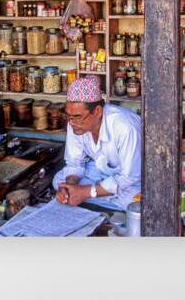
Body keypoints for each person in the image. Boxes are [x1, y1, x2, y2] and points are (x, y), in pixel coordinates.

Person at [52, 76, 142, 210]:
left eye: (77, 117)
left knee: (132, 201)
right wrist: (69, 187)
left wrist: (85, 192)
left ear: (98, 111)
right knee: (58, 180)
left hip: (133, 175)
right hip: (101, 169)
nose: (72, 123)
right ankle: (90, 195)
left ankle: (88, 196)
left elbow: (129, 177)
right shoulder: (74, 123)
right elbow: (75, 162)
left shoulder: (124, 126)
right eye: (68, 116)